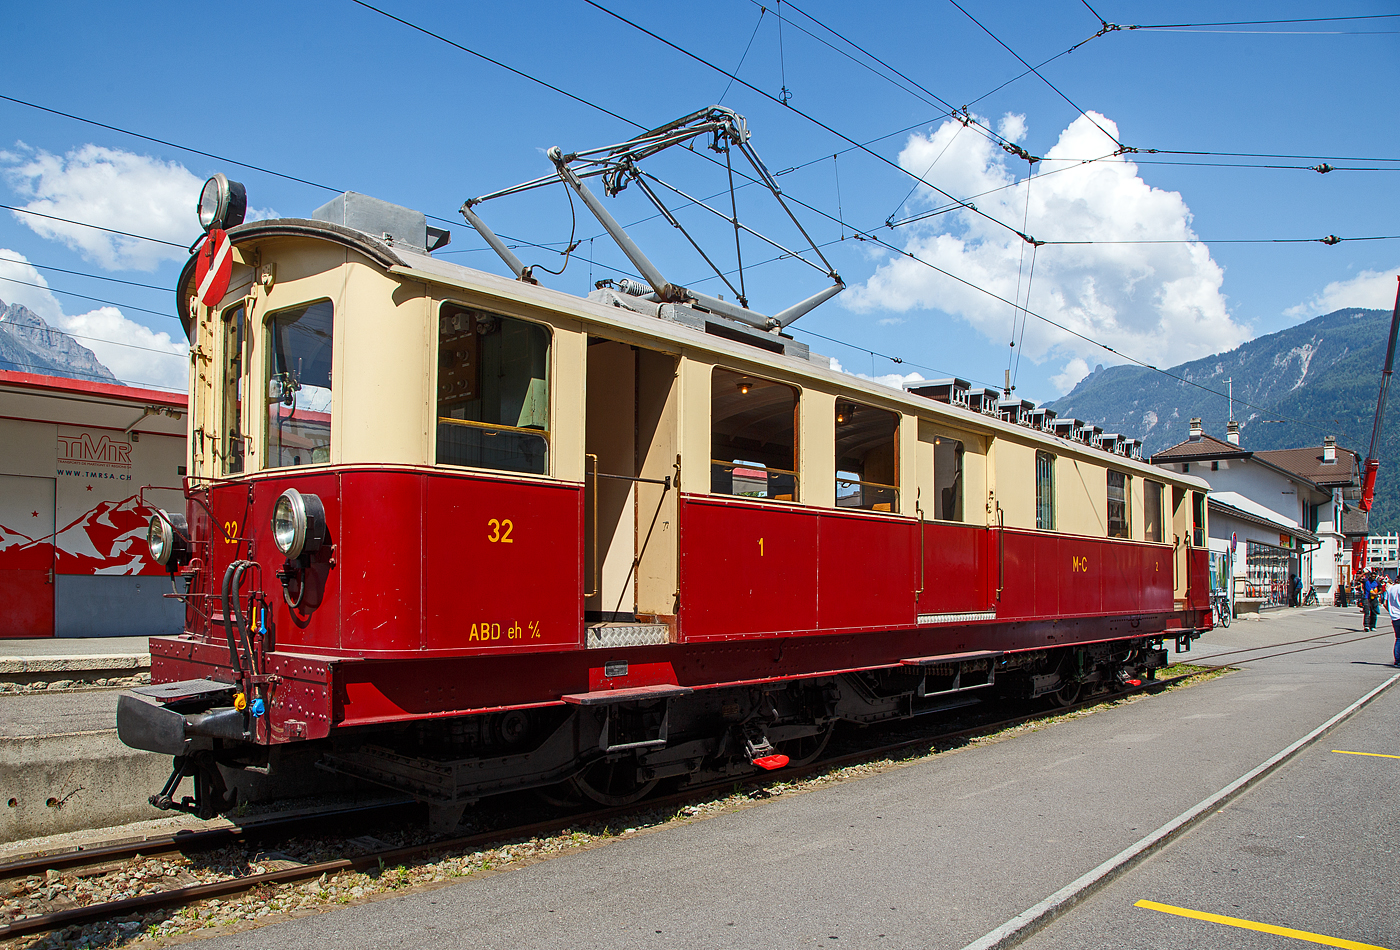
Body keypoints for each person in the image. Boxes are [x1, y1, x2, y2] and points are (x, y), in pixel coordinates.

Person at [1387, 577, 1400, 667]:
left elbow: (1384, 602)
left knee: (1398, 638)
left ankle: (1397, 660)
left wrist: (1391, 612)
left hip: (1394, 617)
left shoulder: (1390, 589)